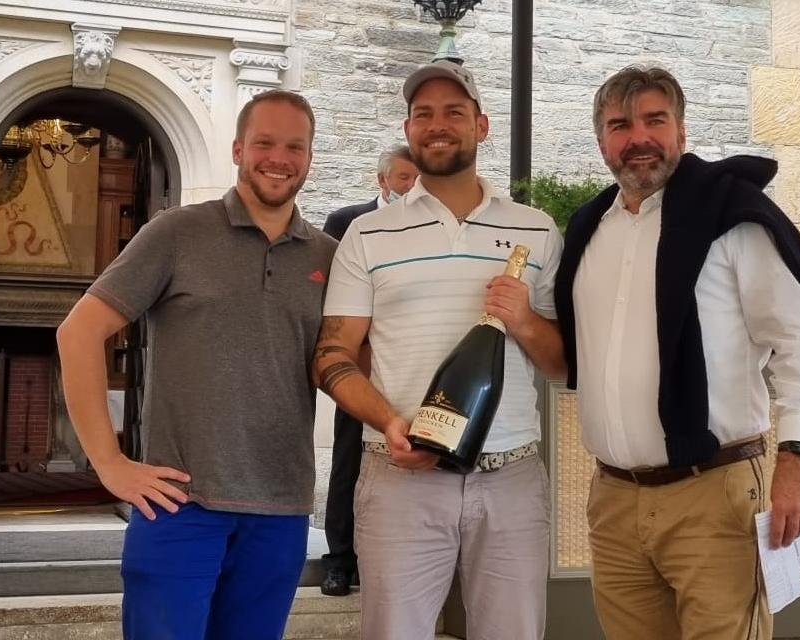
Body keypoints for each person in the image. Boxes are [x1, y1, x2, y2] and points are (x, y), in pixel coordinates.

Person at [553, 65, 800, 639]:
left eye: (654, 120)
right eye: (620, 125)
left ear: (681, 131)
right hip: (614, 501)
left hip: (715, 495)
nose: (638, 137)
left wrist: (797, 459)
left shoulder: (730, 218)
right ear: (601, 140)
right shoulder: (587, 231)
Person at [56, 89, 337, 640]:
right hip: (179, 504)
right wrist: (109, 464)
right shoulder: (177, 233)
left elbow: (351, 362)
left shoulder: (329, 257)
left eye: (295, 147)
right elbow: (78, 333)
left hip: (281, 511)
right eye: (264, 143)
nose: (279, 158)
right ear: (238, 149)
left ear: (309, 157)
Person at [312, 59, 566, 640]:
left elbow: (559, 364)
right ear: (408, 130)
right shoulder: (366, 234)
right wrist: (389, 422)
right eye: (423, 114)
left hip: (510, 479)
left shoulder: (536, 230)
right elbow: (331, 356)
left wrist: (524, 320)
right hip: (399, 478)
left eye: (454, 111)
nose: (437, 124)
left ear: (482, 125)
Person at [320, 144, 419, 597]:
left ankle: (382, 560)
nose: (411, 187)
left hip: (407, 368)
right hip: (357, 370)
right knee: (348, 459)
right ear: (382, 180)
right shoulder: (346, 223)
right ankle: (339, 561)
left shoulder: (429, 227)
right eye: (403, 179)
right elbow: (331, 299)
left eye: (417, 179)